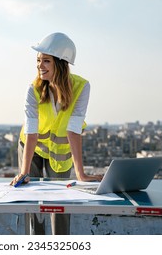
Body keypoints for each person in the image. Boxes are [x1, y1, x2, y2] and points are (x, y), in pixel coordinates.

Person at [10, 32, 102, 235]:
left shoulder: (81, 87)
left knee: (60, 202)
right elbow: (32, 133)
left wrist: (81, 174)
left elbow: (74, 130)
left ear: (60, 64)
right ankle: (37, 241)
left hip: (60, 153)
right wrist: (24, 172)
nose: (39, 66)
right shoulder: (33, 89)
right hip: (31, 149)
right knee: (32, 200)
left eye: (46, 61)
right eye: (38, 60)